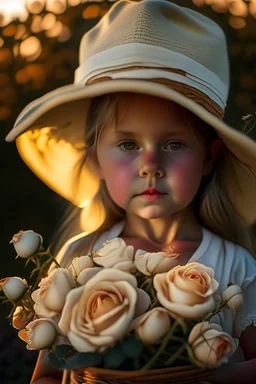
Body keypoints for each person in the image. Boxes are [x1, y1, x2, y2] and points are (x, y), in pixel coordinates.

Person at [5, 0, 256, 383]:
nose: (150, 165)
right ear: (95, 162)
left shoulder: (235, 266)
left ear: (209, 157)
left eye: (174, 144)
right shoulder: (78, 258)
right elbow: (48, 376)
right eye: (127, 145)